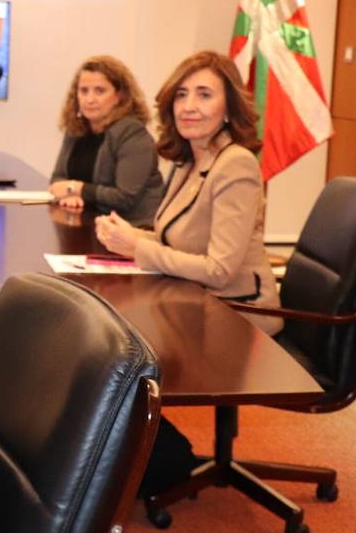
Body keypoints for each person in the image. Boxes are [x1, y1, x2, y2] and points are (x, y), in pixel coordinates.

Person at [94, 50, 282, 496]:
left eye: (204, 94)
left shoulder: (235, 163)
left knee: (116, 351)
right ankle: (127, 464)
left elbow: (219, 269)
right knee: (103, 328)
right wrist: (133, 237)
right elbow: (178, 239)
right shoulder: (187, 160)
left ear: (228, 109)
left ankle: (152, 465)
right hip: (195, 300)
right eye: (181, 94)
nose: (189, 106)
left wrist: (140, 248)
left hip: (237, 312)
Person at [49, 56, 165, 225]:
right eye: (83, 91)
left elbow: (124, 197)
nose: (90, 99)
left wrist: (77, 189)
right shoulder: (76, 128)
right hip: (90, 222)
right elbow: (58, 178)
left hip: (134, 230)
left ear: (120, 96)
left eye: (100, 91)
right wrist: (70, 195)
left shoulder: (132, 133)